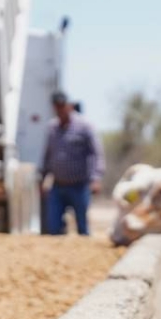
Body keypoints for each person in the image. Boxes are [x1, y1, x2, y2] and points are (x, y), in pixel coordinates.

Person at [40, 90, 105, 235]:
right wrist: (43, 177)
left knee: (82, 227)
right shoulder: (52, 128)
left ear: (69, 106)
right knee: (53, 227)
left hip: (79, 186)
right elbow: (48, 155)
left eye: (62, 106)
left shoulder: (85, 126)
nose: (60, 110)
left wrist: (96, 178)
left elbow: (96, 153)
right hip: (57, 186)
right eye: (57, 107)